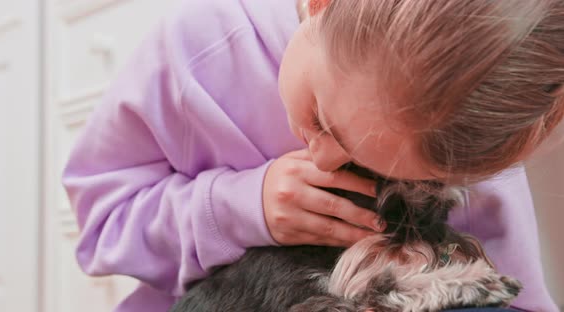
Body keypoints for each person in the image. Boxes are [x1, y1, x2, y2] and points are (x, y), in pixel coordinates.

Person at [62, 0, 563, 311]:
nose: (322, 159)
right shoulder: (197, 44)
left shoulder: (473, 141)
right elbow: (102, 224)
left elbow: (516, 297)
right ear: (324, 4)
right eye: (321, 118)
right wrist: (238, 208)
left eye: (391, 173)